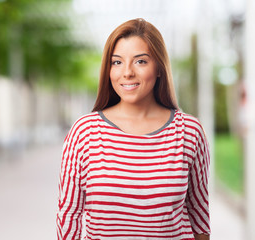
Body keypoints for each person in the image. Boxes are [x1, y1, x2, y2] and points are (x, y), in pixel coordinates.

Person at [57, 18, 210, 240]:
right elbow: (68, 217)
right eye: (117, 62)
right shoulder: (84, 132)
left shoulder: (189, 132)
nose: (127, 72)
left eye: (140, 61)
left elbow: (200, 218)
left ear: (159, 68)